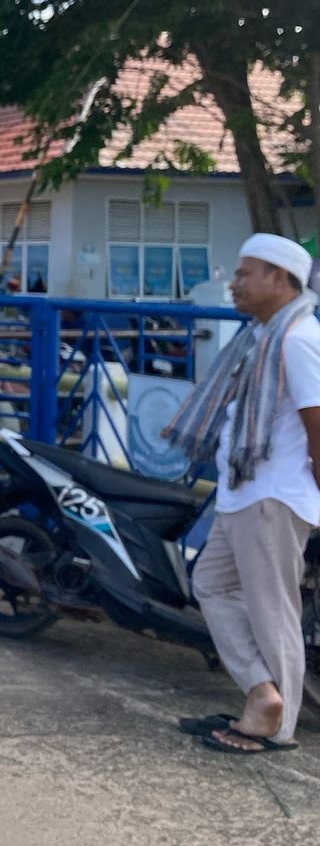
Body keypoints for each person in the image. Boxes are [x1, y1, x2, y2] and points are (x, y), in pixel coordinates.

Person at [165, 234, 320, 754]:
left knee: (273, 611)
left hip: (273, 498)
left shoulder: (298, 340)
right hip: (243, 493)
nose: (234, 283)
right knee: (210, 584)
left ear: (280, 279)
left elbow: (317, 424)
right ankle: (261, 692)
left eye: (245, 273)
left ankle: (275, 726)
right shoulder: (259, 337)